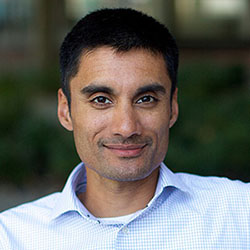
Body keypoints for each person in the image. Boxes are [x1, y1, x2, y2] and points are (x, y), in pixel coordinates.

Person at [0, 8, 249, 250]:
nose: (126, 127)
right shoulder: (12, 237)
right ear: (65, 110)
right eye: (101, 99)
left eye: (146, 99)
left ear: (172, 107)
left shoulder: (239, 213)